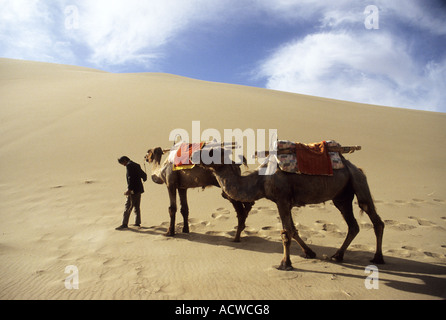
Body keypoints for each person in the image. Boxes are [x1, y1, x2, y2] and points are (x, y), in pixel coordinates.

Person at [115, 156, 147, 230]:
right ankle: (137, 222)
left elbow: (130, 178)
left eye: (123, 163)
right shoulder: (136, 165)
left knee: (128, 206)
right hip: (139, 189)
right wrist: (143, 179)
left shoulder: (129, 165)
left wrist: (129, 189)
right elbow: (144, 175)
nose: (123, 165)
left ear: (125, 160)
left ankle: (124, 224)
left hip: (133, 190)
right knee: (136, 206)